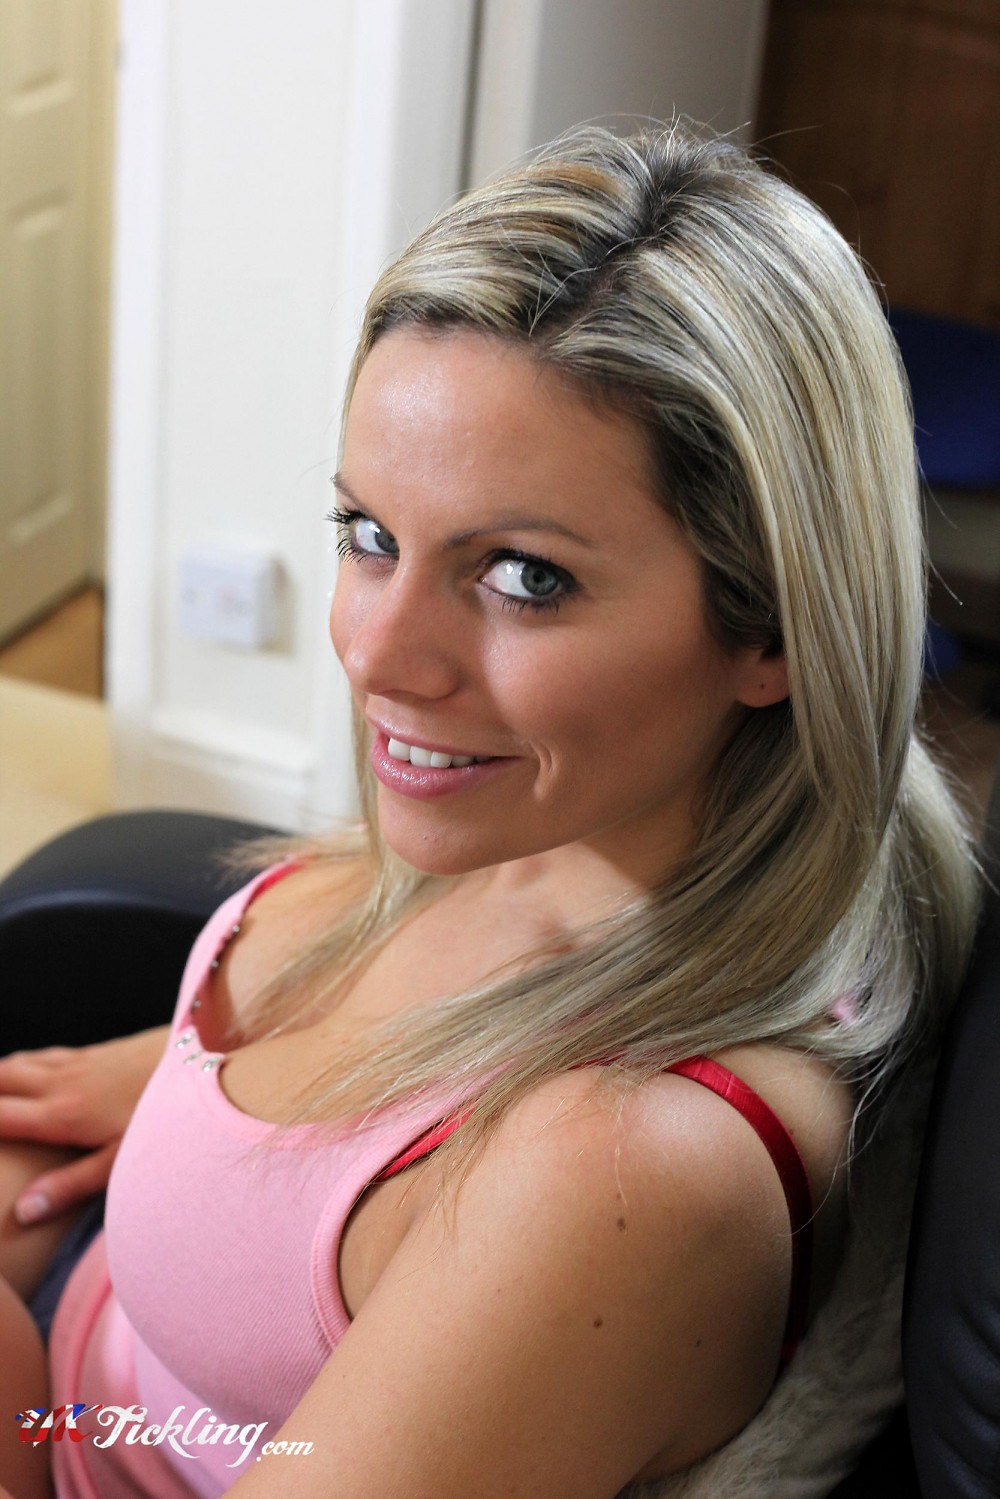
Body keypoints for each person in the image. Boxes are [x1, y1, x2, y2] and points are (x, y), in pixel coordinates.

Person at [0, 117, 982, 1499]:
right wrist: (182, 1105)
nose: (377, 654)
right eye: (369, 535)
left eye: (525, 577)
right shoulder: (550, 818)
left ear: (775, 627)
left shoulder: (618, 1177)